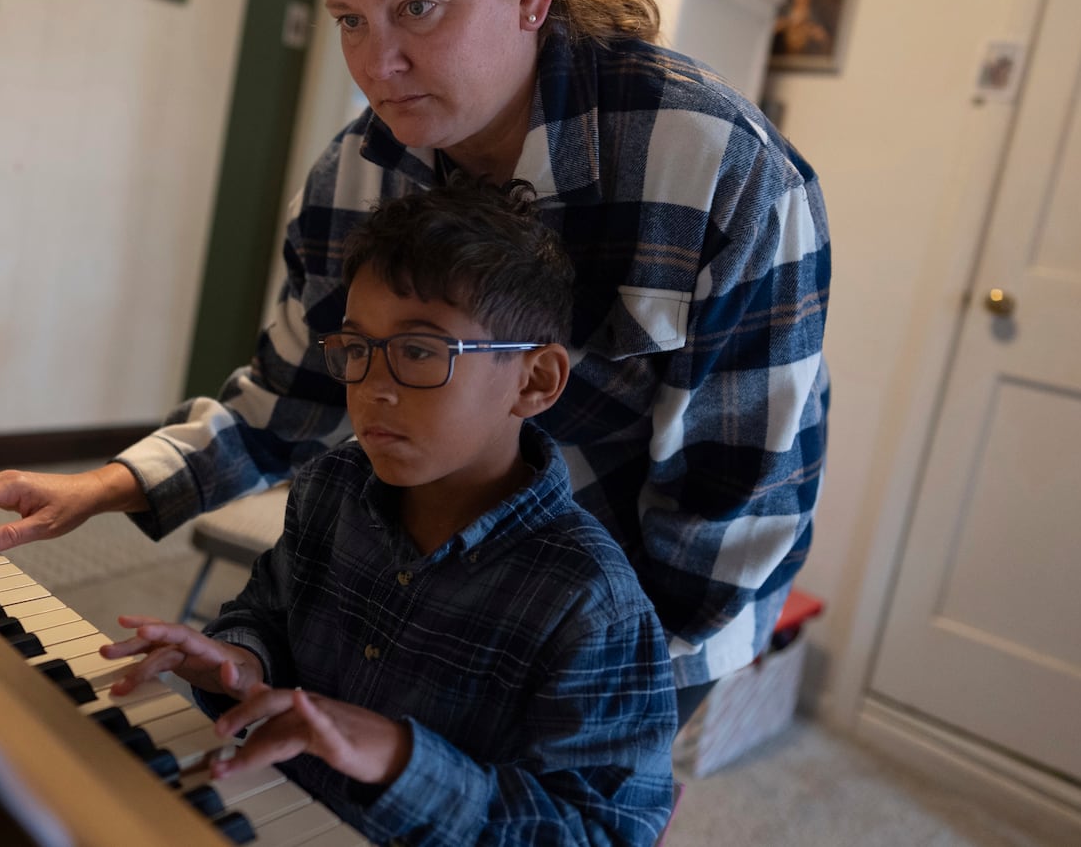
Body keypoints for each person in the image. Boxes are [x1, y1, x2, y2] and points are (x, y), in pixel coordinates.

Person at [0, 0, 831, 721]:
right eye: (351, 20)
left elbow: (731, 518)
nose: (377, 64)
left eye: (418, 10)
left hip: (632, 637)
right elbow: (288, 400)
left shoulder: (725, 176)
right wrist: (102, 485)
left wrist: (605, 707)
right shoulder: (355, 178)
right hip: (425, 594)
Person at [100, 180, 676, 846]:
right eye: (357, 348)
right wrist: (240, 659)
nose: (373, 388)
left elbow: (605, 831)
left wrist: (404, 760)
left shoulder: (593, 603)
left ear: (535, 379)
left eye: (420, 352)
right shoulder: (330, 487)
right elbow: (268, 615)